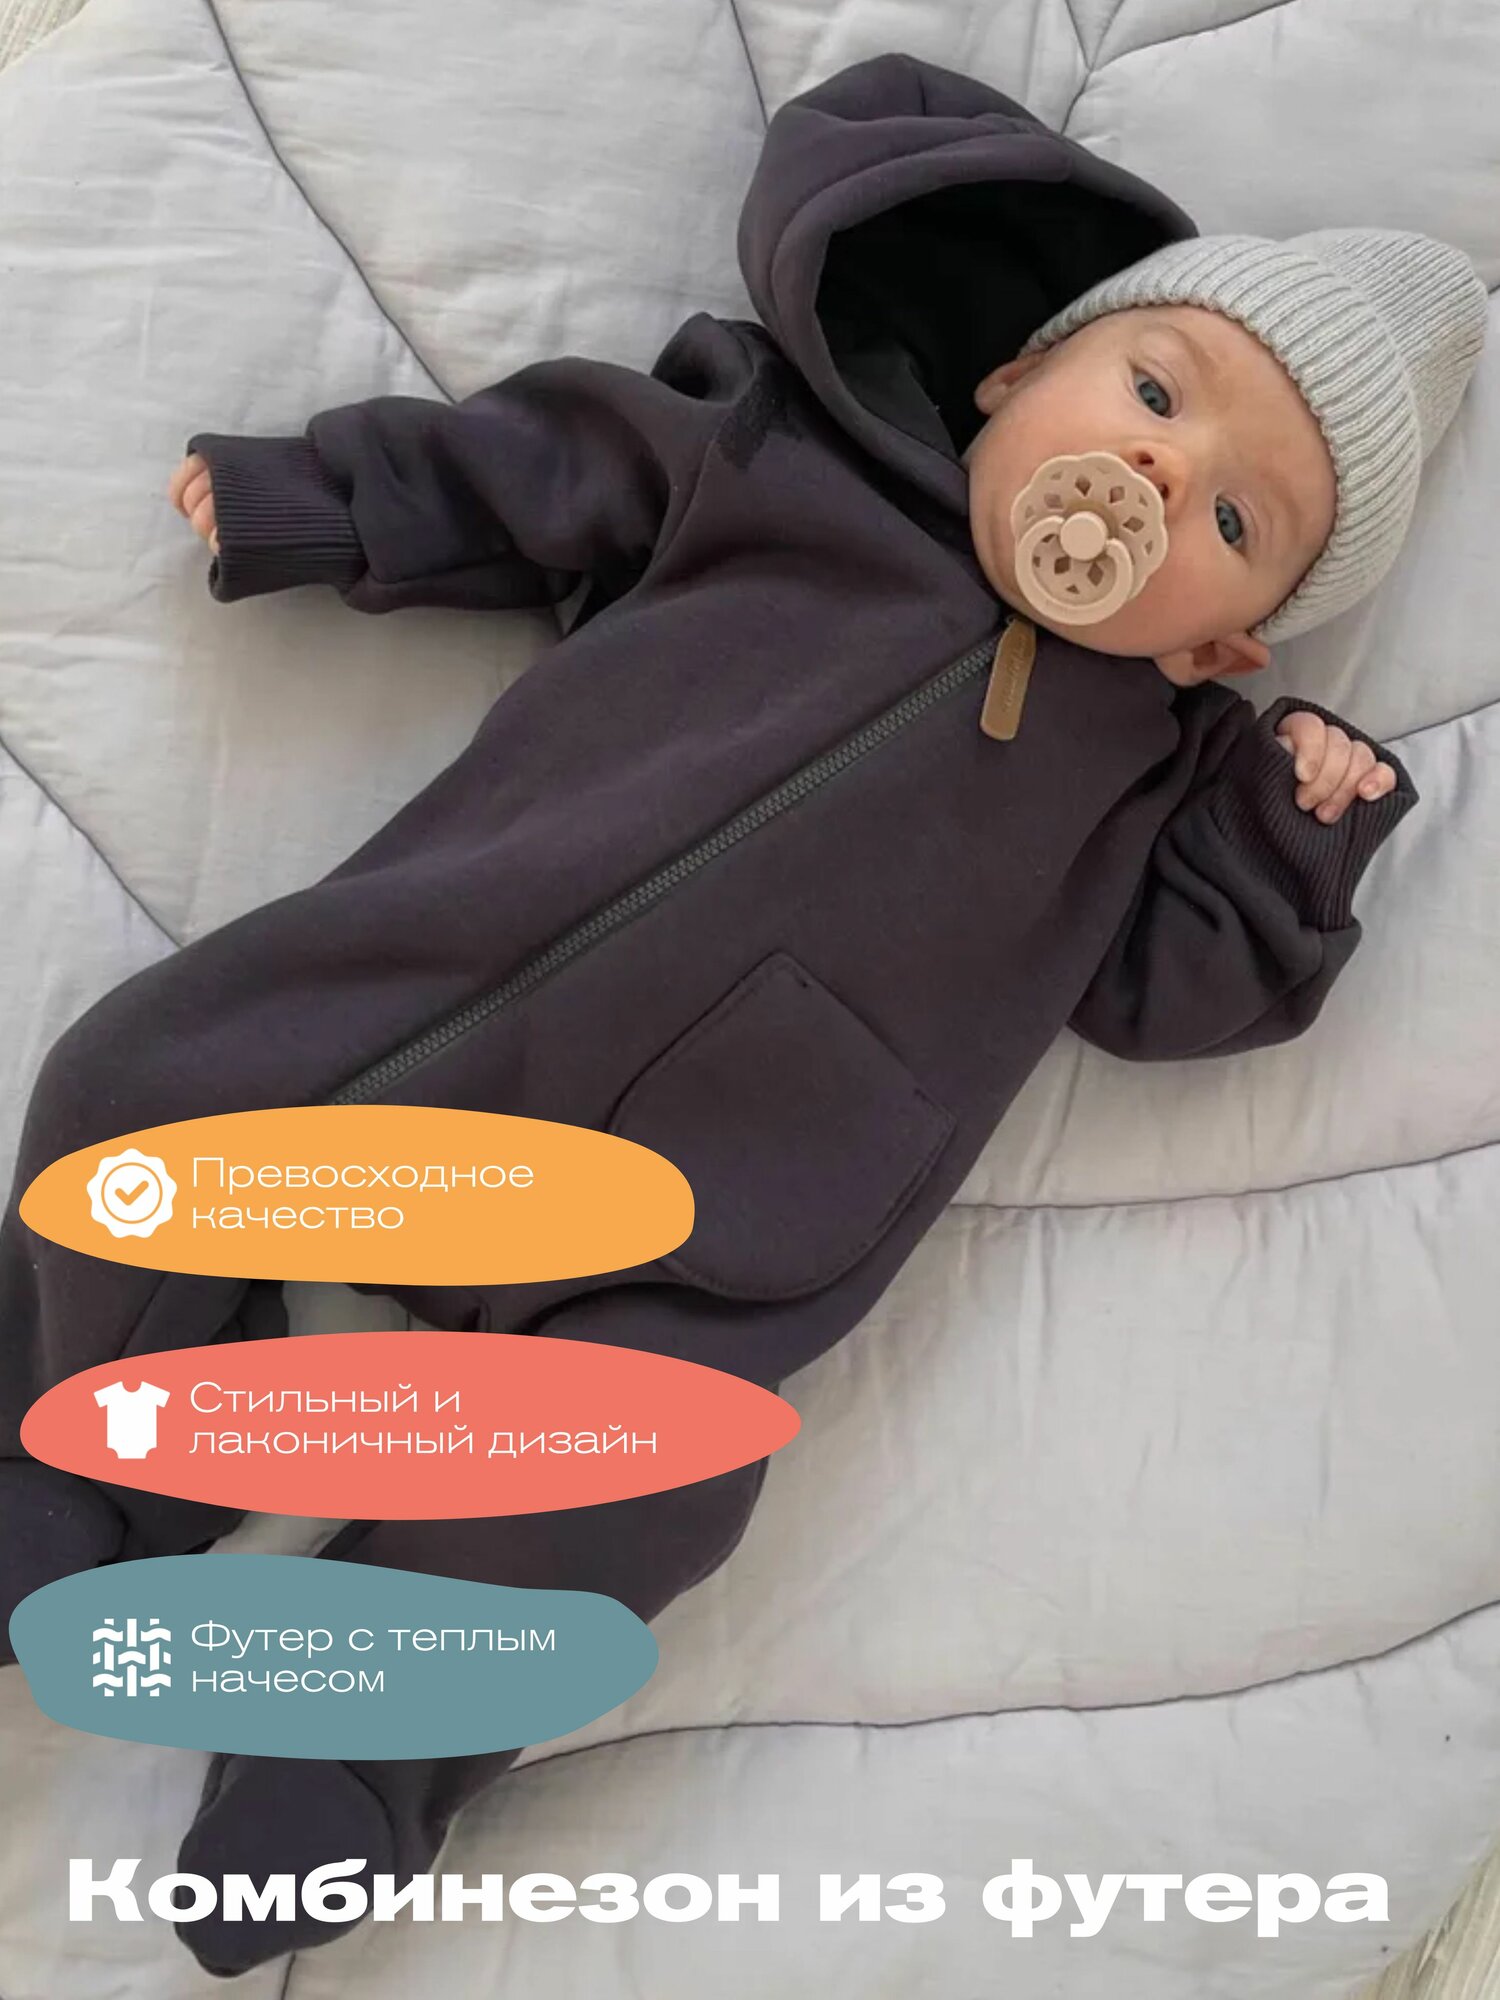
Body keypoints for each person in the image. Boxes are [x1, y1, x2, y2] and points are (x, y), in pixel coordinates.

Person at [1, 48, 1486, 1976]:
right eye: (1150, 391)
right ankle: (61, 1481)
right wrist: (332, 502)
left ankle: (345, 1769)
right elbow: (552, 474)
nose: (1155, 477)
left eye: (1235, 515)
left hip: (709, 1234)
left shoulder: (1151, 775)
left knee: (646, 1494)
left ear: (1224, 641)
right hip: (420, 1014)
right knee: (135, 1093)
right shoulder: (776, 464)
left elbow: (1168, 996)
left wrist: (1292, 840)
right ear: (1012, 376)